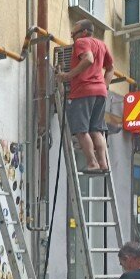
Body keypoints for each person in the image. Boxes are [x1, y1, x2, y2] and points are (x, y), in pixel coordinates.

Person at [56, 19, 115, 173]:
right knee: (96, 130)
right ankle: (103, 164)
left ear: (84, 32)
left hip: (83, 91)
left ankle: (92, 163)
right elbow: (111, 68)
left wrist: (68, 75)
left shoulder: (81, 42)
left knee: (81, 130)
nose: (72, 37)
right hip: (100, 93)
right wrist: (104, 85)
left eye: (73, 33)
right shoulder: (102, 45)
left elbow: (88, 58)